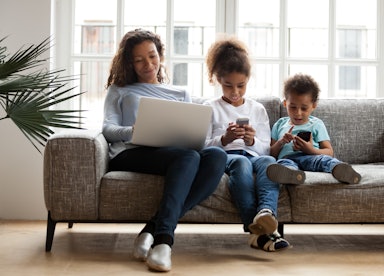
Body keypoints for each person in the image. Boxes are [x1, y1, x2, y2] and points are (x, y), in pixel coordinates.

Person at [102, 29, 227, 272]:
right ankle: (163, 241)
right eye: (138, 59)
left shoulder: (180, 93)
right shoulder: (119, 89)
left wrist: (198, 138)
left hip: (172, 153)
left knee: (217, 156)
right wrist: (132, 130)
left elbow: (194, 135)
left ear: (160, 55)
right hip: (130, 153)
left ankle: (151, 228)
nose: (147, 64)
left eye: (152, 56)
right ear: (129, 62)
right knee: (188, 156)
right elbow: (107, 128)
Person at [204, 36, 291, 252]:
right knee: (242, 164)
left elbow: (265, 149)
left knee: (270, 162)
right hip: (229, 157)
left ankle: (266, 213)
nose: (235, 92)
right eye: (228, 86)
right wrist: (225, 139)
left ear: (248, 80)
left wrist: (252, 140)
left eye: (241, 86)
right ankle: (258, 231)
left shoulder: (257, 109)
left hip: (254, 155)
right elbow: (203, 146)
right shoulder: (210, 108)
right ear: (217, 80)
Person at [267, 73, 361, 185]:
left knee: (324, 160)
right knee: (283, 164)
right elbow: (271, 153)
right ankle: (293, 175)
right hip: (287, 159)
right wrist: (281, 142)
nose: (298, 113)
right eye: (293, 107)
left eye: (304, 108)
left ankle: (341, 170)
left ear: (314, 105)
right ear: (285, 103)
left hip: (311, 157)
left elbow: (329, 152)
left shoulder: (316, 124)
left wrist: (310, 150)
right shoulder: (279, 124)